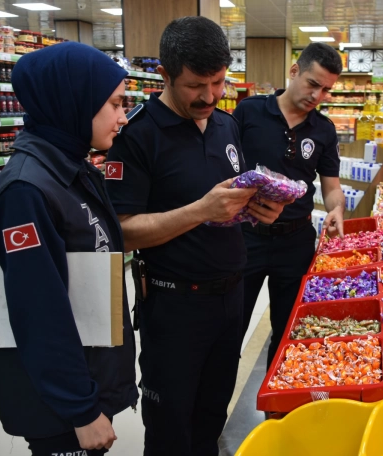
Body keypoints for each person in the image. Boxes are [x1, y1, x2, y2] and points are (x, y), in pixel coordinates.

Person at [104, 17, 286, 456]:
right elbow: (121, 232)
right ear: (165, 75)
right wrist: (200, 210)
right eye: (195, 86)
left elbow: (229, 201)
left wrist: (261, 209)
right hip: (173, 306)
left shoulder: (226, 125)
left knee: (211, 417)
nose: (209, 96)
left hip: (231, 297)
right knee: (170, 429)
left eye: (218, 82)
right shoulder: (136, 136)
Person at [0, 42, 138, 455]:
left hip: (86, 374)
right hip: (61, 406)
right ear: (74, 101)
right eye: (115, 104)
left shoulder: (70, 166)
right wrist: (81, 409)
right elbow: (40, 312)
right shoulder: (27, 191)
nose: (123, 116)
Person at [233, 43, 345, 368]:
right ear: (294, 71)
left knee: (288, 331)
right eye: (313, 84)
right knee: (231, 324)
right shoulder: (249, 112)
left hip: (295, 241)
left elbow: (332, 186)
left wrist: (337, 209)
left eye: (326, 90)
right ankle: (217, 393)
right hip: (246, 235)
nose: (318, 96)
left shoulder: (324, 130)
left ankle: (275, 396)